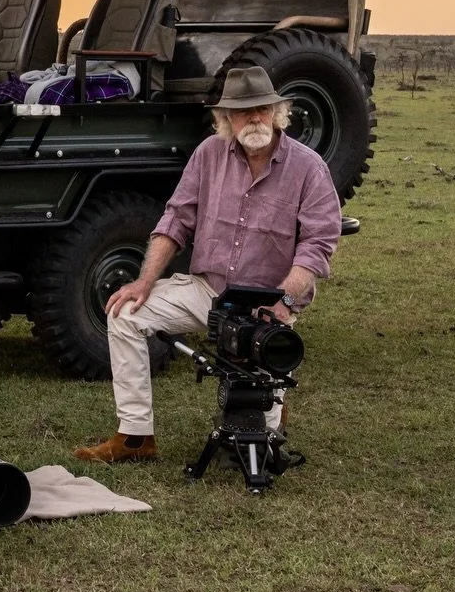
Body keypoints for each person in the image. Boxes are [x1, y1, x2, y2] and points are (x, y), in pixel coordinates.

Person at [74, 66, 341, 463]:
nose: (254, 119)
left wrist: (282, 302)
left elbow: (318, 244)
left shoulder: (308, 167)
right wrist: (144, 281)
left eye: (262, 109)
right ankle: (134, 437)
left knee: (256, 446)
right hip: (208, 290)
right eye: (242, 111)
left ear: (277, 112)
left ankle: (274, 410)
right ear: (225, 120)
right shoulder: (208, 154)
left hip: (266, 302)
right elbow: (176, 219)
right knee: (125, 313)